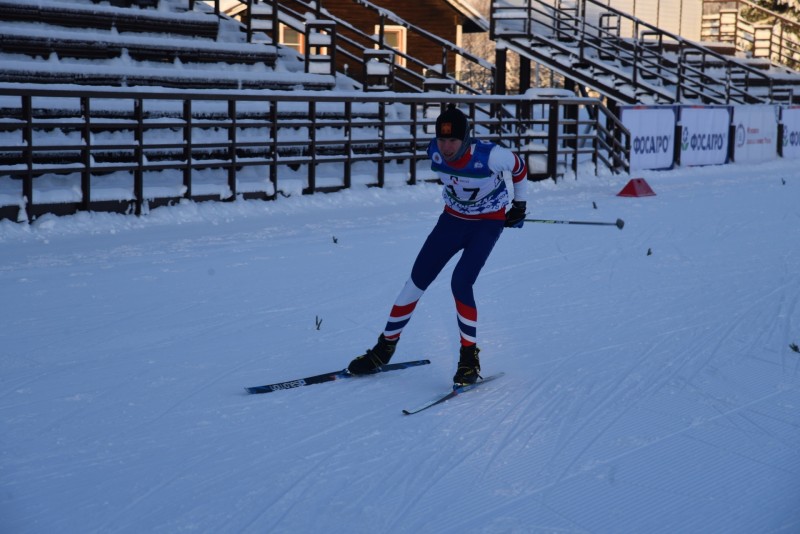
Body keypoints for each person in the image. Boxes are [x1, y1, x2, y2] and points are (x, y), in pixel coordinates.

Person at [347, 104, 528, 386]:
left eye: (452, 140)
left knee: (461, 282)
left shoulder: (491, 156)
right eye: (442, 140)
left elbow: (519, 167)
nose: (446, 146)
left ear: (465, 138)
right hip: (452, 221)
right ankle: (384, 348)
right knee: (415, 281)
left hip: (486, 224)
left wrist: (519, 204)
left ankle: (469, 358)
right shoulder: (433, 150)